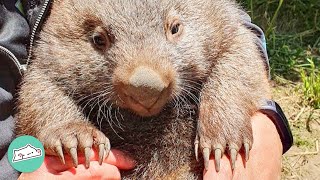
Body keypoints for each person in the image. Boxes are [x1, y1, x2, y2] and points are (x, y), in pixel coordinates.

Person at [0, 0, 288, 179]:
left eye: (174, 29)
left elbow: (234, 37)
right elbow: (44, 76)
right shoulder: (62, 30)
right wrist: (58, 126)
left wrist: (252, 113)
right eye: (100, 41)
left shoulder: (210, 15)